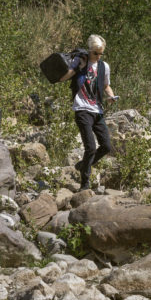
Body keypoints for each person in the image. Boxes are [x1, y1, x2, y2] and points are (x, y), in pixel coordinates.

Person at [59, 34, 118, 190]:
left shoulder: (104, 66)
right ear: (89, 50)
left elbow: (106, 86)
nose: (98, 56)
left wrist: (111, 96)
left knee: (106, 146)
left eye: (100, 54)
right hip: (82, 109)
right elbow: (63, 78)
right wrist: (78, 68)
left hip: (97, 110)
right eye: (95, 53)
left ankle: (83, 165)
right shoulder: (80, 61)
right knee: (90, 147)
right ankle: (84, 184)